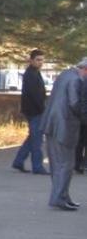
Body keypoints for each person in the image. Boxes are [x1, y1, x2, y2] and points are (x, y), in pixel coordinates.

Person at [39, 57, 87, 211]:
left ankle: (63, 196)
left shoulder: (65, 74)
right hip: (65, 126)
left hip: (52, 124)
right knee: (66, 164)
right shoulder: (76, 80)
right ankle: (59, 198)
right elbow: (75, 103)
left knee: (57, 163)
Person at [12, 49, 49, 175]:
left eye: (42, 60)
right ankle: (37, 166)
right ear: (31, 60)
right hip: (34, 111)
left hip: (34, 110)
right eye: (38, 60)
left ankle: (19, 161)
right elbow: (35, 95)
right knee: (37, 140)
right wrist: (43, 110)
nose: (41, 62)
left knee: (33, 137)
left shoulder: (35, 72)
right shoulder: (30, 74)